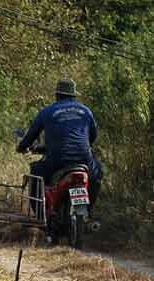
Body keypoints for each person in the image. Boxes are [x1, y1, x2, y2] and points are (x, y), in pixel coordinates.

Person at [16, 80, 102, 218]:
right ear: (74, 96)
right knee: (97, 174)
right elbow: (93, 137)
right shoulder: (86, 111)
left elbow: (30, 136)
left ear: (57, 95)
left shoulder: (47, 111)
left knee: (36, 173)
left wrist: (22, 147)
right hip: (84, 159)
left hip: (57, 159)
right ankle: (89, 211)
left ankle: (41, 215)